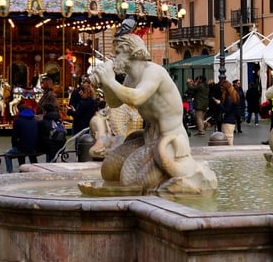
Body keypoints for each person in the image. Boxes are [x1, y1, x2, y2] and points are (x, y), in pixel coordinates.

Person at [88, 31, 216, 194]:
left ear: (132, 52)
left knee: (129, 181)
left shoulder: (153, 72)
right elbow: (114, 103)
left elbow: (136, 98)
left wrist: (111, 81)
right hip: (149, 139)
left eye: (118, 53)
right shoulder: (130, 78)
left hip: (170, 141)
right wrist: (106, 84)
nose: (114, 57)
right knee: (108, 170)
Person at [5, 106, 39, 173]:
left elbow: (14, 136)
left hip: (22, 147)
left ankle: (10, 172)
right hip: (34, 147)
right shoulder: (34, 120)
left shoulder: (18, 121)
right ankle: (36, 170)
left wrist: (15, 146)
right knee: (31, 156)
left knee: (7, 155)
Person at [218, 80, 239, 144]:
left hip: (228, 121)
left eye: (222, 88)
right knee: (229, 138)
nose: (221, 90)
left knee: (228, 139)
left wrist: (220, 104)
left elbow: (227, 110)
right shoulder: (233, 96)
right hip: (231, 120)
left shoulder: (228, 98)